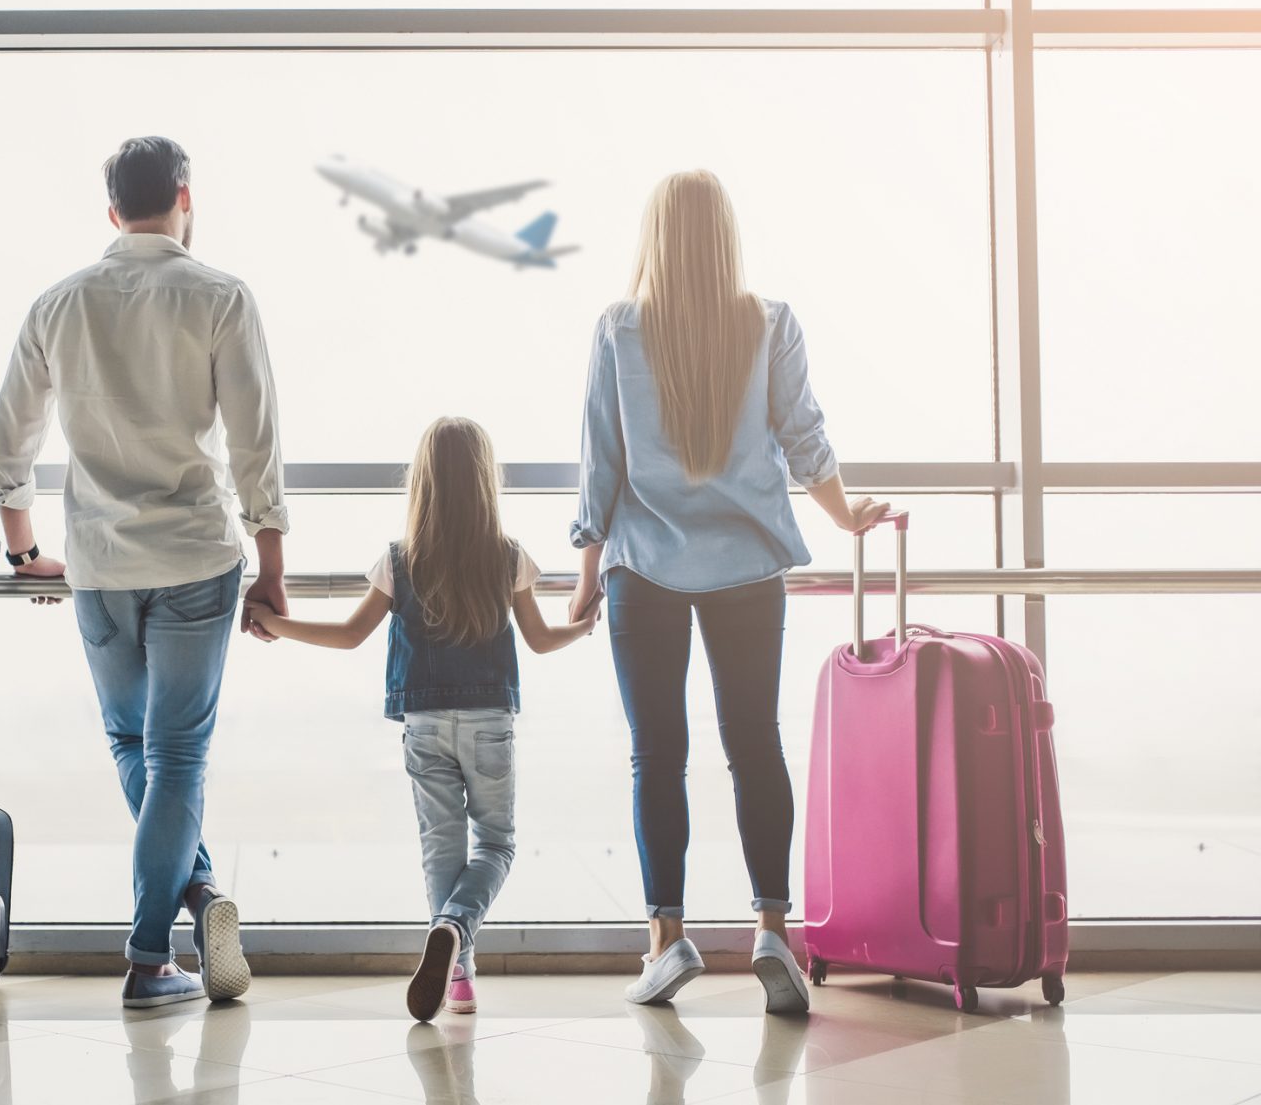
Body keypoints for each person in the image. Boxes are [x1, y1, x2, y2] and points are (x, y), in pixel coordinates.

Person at [566, 170, 890, 1014]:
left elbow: (601, 465)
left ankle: (666, 942)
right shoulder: (769, 322)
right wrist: (845, 514)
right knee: (754, 744)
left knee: (657, 755)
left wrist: (586, 571)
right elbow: (804, 434)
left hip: (645, 568)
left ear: (657, 238)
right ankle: (772, 929)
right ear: (726, 238)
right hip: (747, 566)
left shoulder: (618, 329)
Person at [0, 135, 290, 1008]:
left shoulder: (59, 304)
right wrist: (272, 567)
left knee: (134, 745)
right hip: (198, 556)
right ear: (186, 198)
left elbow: (7, 451)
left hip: (101, 566)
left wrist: (22, 551)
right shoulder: (222, 296)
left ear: (112, 210)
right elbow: (255, 446)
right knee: (179, 753)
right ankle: (155, 946)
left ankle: (183, 911)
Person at [250, 416, 593, 1021]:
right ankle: (456, 931)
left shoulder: (400, 559)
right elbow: (540, 640)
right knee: (496, 845)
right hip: (489, 722)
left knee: (442, 850)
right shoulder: (508, 556)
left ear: (424, 483)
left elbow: (351, 635)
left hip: (425, 722)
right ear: (485, 481)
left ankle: (458, 978)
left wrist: (275, 624)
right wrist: (585, 625)